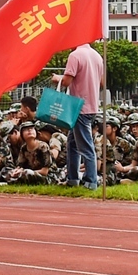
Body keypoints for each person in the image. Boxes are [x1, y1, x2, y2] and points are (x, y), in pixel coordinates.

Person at [52, 42, 103, 189]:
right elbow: (100, 81)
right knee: (73, 143)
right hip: (92, 106)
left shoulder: (75, 55)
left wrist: (57, 78)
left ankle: (90, 181)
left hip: (79, 107)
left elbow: (67, 81)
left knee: (85, 146)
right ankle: (73, 178)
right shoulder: (97, 56)